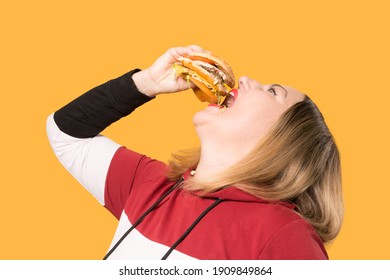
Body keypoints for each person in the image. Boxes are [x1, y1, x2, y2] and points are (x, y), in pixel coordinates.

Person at [46, 45, 344, 260]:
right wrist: (146, 83)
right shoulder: (150, 184)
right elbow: (65, 132)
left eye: (272, 91)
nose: (244, 80)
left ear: (285, 140)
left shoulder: (283, 235)